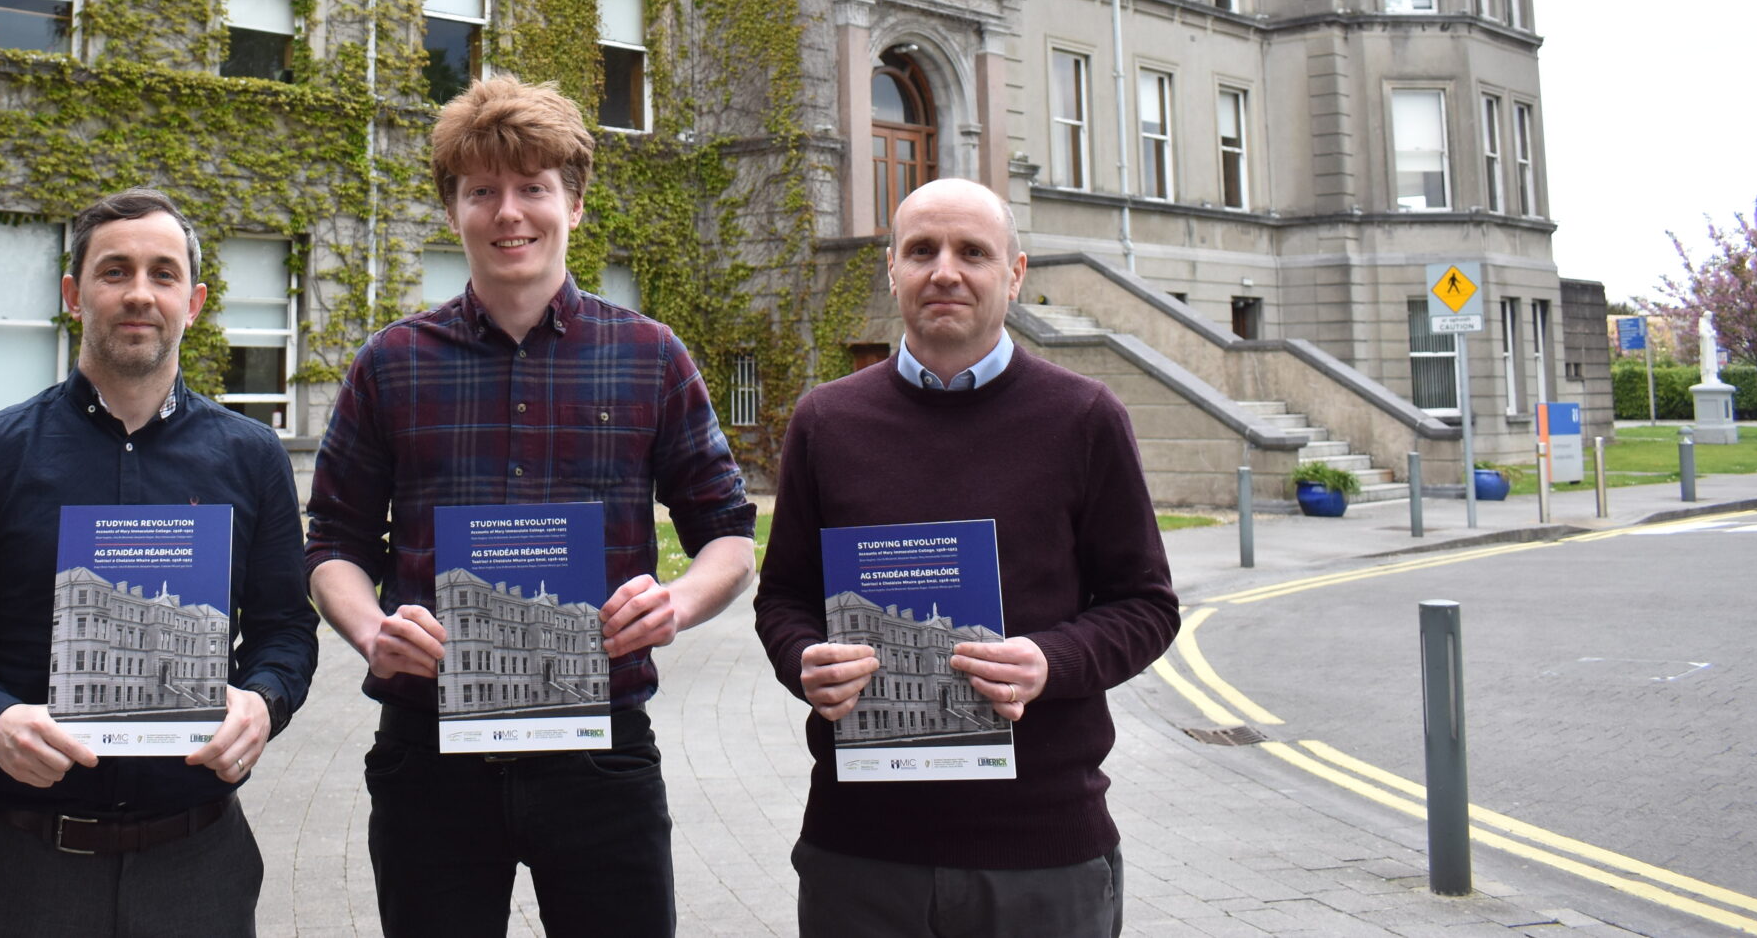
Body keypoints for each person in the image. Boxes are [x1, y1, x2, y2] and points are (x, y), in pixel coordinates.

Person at [306, 76, 757, 938]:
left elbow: (728, 534)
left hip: (600, 751)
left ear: (574, 204)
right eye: (483, 191)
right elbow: (334, 541)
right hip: (428, 748)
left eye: (532, 188)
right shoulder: (391, 363)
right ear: (454, 212)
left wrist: (676, 602)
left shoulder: (650, 355)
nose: (509, 212)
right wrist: (370, 628)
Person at [753, 177, 1179, 938]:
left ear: (1013, 274)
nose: (944, 270)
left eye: (972, 251)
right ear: (892, 269)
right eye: (922, 250)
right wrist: (803, 659)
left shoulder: (1084, 418)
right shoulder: (827, 421)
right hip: (862, 849)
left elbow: (1146, 603)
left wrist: (1052, 660)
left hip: (1040, 849)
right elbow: (782, 597)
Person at [0, 188, 317, 938]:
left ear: (194, 300)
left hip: (198, 859)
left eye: (162, 273)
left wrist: (263, 702)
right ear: (73, 293)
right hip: (28, 865)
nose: (138, 293)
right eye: (114, 270)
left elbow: (287, 628)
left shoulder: (252, 459)